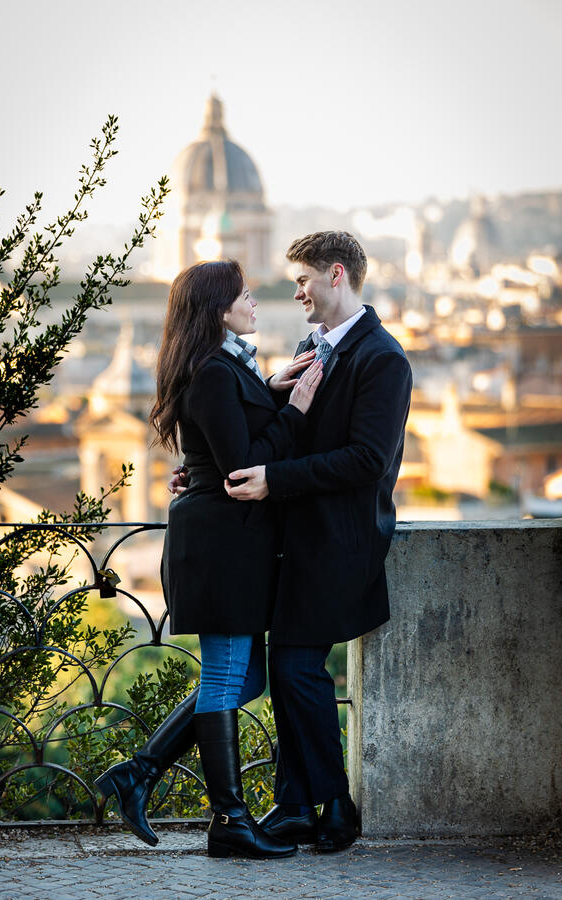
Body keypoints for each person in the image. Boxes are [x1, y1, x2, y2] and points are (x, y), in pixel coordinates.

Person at [95, 259, 323, 859]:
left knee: (243, 677)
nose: (255, 302)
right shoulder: (214, 372)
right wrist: (295, 409)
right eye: (244, 295)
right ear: (220, 309)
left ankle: (139, 772)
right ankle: (229, 821)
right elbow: (241, 464)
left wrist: (272, 388)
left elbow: (222, 436)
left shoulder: (225, 368)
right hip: (223, 549)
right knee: (228, 675)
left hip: (230, 545)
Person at [224, 231, 413, 852]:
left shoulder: (382, 358)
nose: (296, 291)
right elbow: (291, 430)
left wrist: (275, 478)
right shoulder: (313, 348)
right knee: (291, 669)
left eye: (303, 280)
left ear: (337, 275)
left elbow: (367, 460)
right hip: (300, 537)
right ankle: (302, 804)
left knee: (299, 668)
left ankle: (332, 806)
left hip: (341, 540)